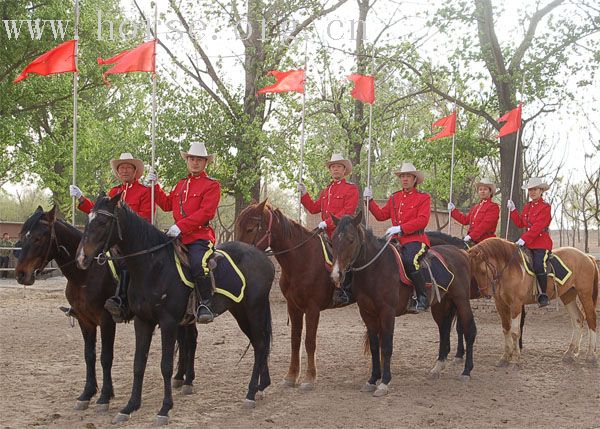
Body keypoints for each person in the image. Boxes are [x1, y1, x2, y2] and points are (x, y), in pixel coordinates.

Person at [68, 152, 153, 322]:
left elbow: (146, 218)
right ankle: (83, 300)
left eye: (128, 167)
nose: (125, 171)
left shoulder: (145, 191)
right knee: (89, 255)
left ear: (135, 171)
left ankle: (121, 300)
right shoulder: (114, 191)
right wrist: (81, 198)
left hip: (135, 242)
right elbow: (99, 215)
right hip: (114, 239)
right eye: (121, 168)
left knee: (123, 261)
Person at [149, 142, 221, 323]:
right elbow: (166, 204)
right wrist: (155, 186)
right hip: (177, 237)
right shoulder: (181, 184)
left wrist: (181, 226)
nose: (195, 163)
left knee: (198, 264)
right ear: (187, 161)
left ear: (205, 163)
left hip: (199, 237)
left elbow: (206, 212)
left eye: (199, 160)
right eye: (192, 159)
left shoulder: (211, 185)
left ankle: (205, 303)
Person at [363, 162, 431, 313]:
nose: (405, 179)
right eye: (402, 176)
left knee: (409, 261)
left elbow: (422, 220)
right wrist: (370, 201)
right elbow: (381, 216)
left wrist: (401, 228)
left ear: (415, 179)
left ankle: (422, 297)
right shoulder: (395, 198)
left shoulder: (423, 198)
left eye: (408, 176)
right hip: (395, 240)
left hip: (415, 239)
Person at [297, 153, 359, 306]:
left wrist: (328, 223)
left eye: (338, 166)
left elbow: (347, 212)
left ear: (344, 170)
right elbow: (313, 208)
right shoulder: (326, 191)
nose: (335, 169)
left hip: (342, 234)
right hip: (326, 233)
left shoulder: (351, 189)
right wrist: (304, 194)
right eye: (333, 167)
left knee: (341, 258)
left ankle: (343, 290)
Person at [507, 178, 552, 308]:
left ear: (541, 190)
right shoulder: (527, 206)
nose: (532, 192)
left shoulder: (545, 207)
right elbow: (521, 223)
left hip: (541, 243)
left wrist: (524, 239)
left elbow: (538, 227)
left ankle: (543, 294)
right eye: (530, 190)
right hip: (528, 243)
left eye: (535, 189)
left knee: (538, 265)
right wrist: (513, 210)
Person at [448, 178, 500, 245]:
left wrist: (471, 236)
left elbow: (485, 225)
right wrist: (453, 210)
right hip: (472, 240)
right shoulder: (476, 207)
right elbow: (465, 220)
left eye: (485, 189)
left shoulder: (493, 207)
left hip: (485, 242)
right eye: (480, 189)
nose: (482, 191)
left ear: (490, 192)